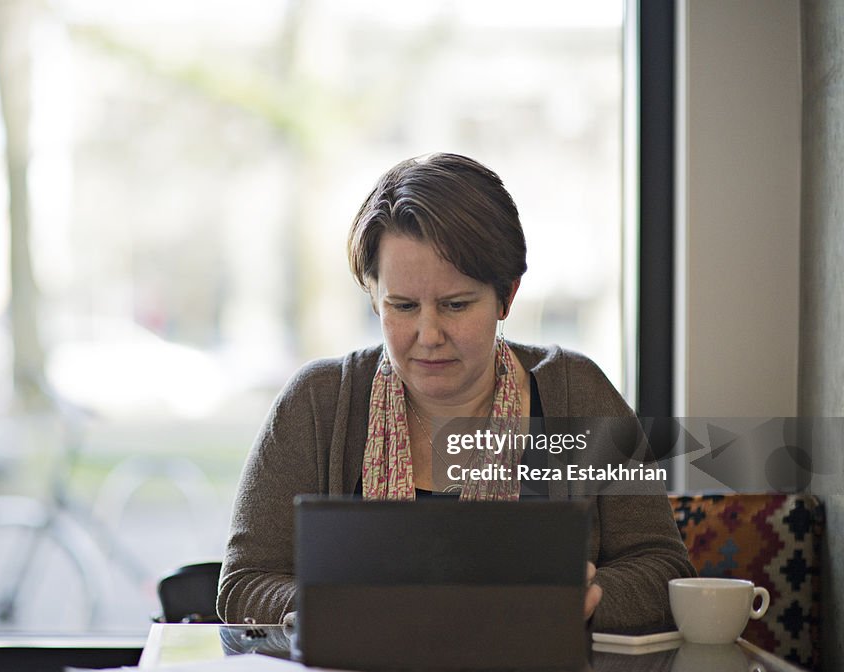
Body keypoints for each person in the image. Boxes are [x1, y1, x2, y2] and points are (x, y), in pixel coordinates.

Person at [218, 153, 695, 632]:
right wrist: (352, 606)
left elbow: (663, 570)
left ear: (506, 296)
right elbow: (244, 583)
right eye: (402, 306)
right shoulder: (318, 403)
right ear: (372, 295)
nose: (428, 334)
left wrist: (584, 600)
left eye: (456, 305)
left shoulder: (577, 393)